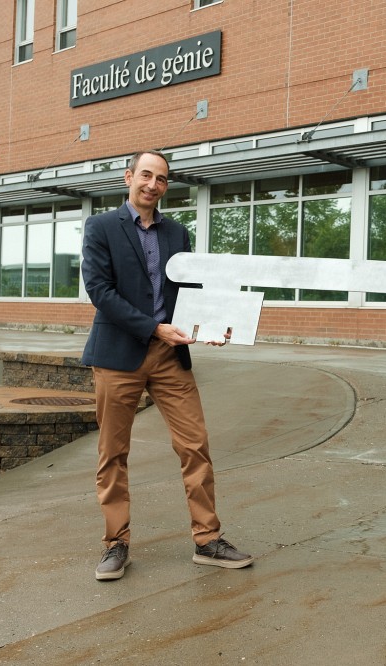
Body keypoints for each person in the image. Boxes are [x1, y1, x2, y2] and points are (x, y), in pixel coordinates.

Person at [81, 150, 253, 581]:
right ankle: (115, 544)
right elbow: (100, 290)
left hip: (169, 356)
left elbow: (190, 290)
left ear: (166, 186)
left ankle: (208, 539)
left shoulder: (177, 232)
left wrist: (212, 324)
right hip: (118, 356)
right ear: (128, 177)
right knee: (113, 453)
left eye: (160, 179)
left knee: (195, 445)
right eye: (146, 175)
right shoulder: (101, 227)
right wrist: (153, 327)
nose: (152, 184)